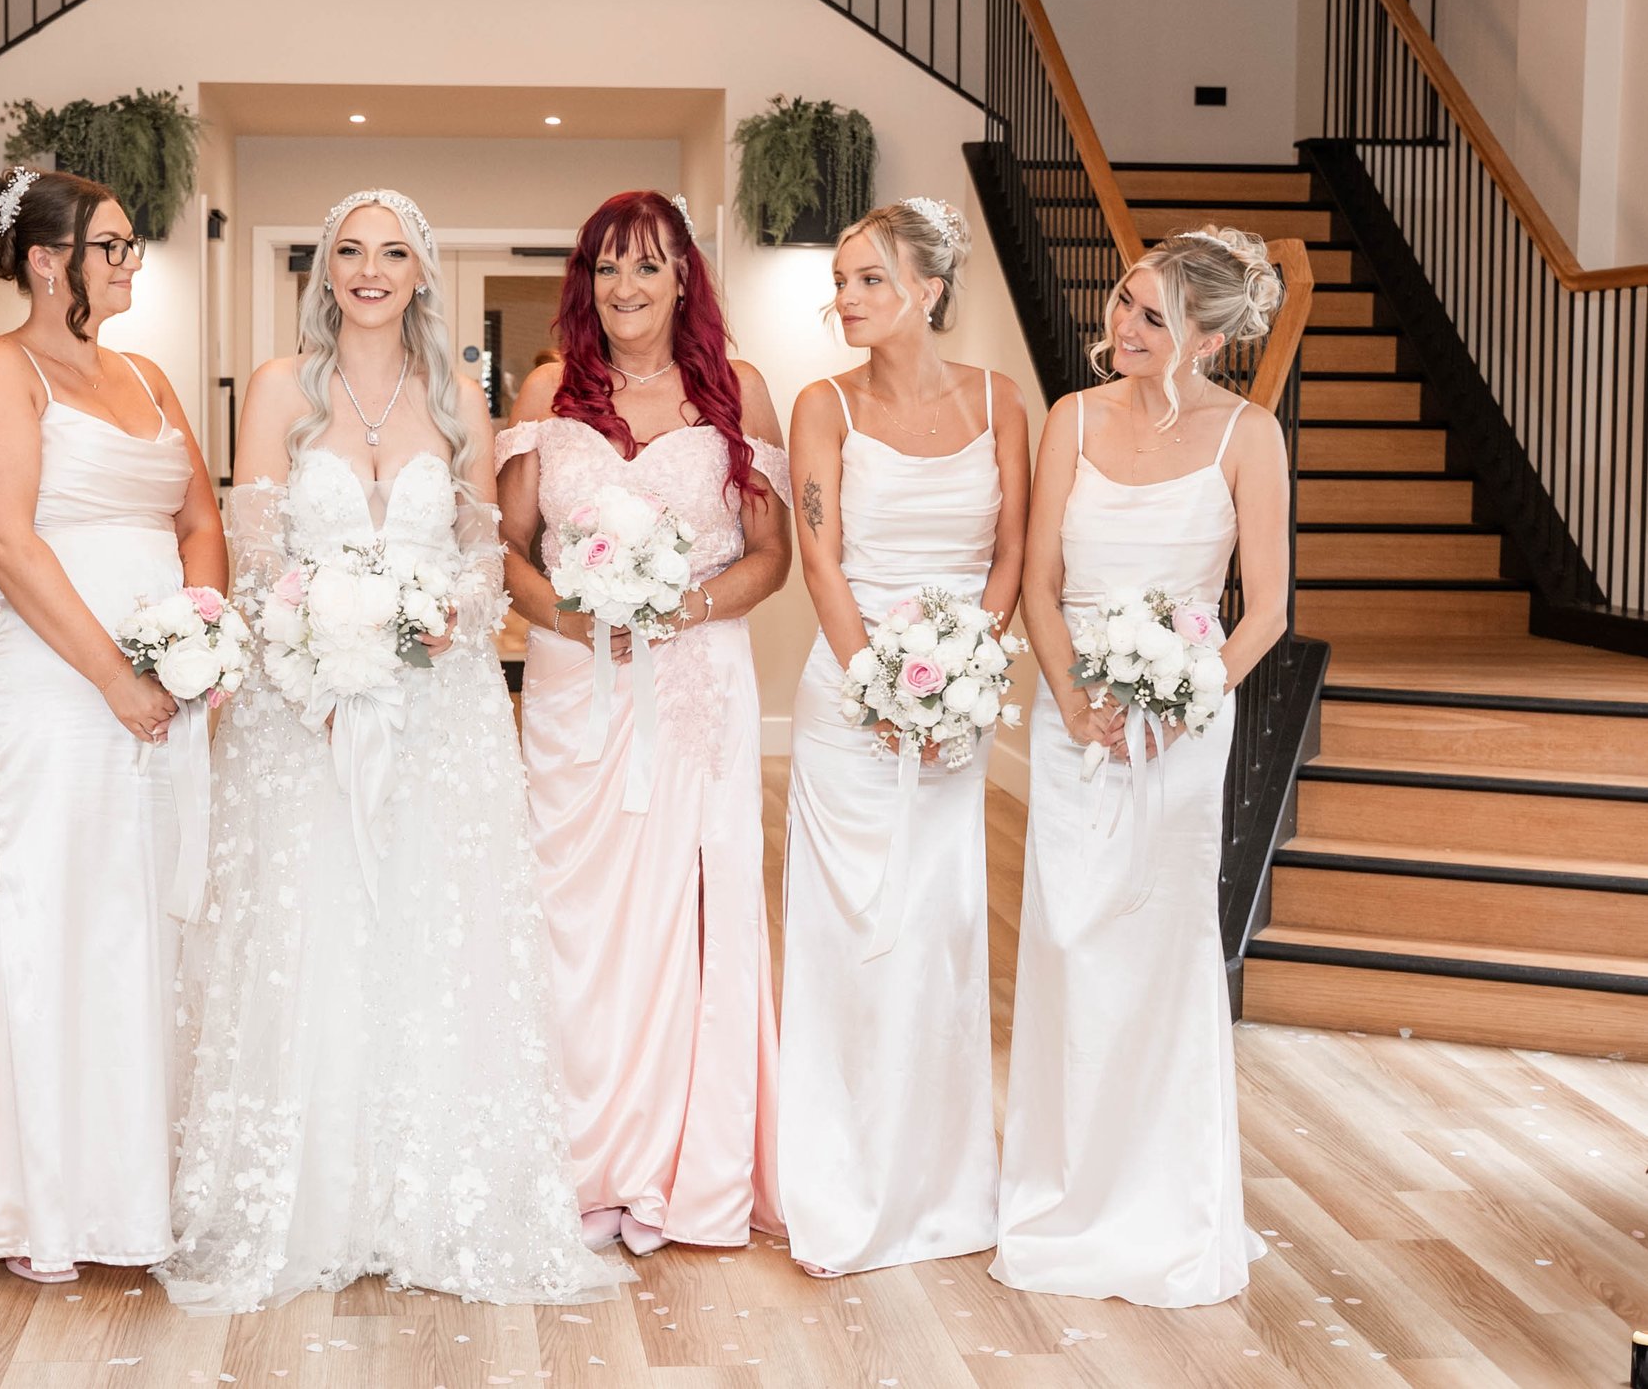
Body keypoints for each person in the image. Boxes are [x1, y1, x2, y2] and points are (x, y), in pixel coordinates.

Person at [159, 190, 623, 1314]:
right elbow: (256, 546)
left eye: (393, 252)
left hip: (434, 710)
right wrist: (315, 645)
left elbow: (478, 553)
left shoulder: (457, 391)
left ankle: (426, 1193)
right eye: (348, 252)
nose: (370, 269)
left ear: (422, 271)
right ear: (323, 271)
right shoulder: (278, 387)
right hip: (298, 707)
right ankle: (310, 1192)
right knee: (310, 922)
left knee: (426, 925)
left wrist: (427, 618)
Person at [993, 226, 1288, 1308]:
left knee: (1158, 949)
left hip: (1179, 726)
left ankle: (1161, 1195)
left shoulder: (1248, 437)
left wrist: (1180, 691)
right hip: (1074, 717)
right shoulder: (1070, 417)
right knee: (1070, 941)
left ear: (1206, 337)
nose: (1122, 325)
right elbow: (1036, 579)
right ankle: (1060, 1189)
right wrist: (1073, 698)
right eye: (1123, 300)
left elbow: (1265, 611)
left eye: (1152, 315)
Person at [498, 189, 791, 1257]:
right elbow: (509, 550)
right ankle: (579, 1160)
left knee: (685, 912)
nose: (626, 287)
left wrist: (681, 607)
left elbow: (771, 558)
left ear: (683, 279)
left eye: (648, 265)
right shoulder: (546, 389)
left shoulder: (736, 390)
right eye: (607, 266)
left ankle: (674, 1162)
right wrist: (571, 613)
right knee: (574, 911)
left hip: (695, 678)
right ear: (586, 281)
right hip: (578, 683)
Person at [0, 165, 227, 1283]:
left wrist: (203, 627)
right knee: (60, 919)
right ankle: (50, 1200)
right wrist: (115, 675)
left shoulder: (147, 373)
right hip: (59, 692)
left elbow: (198, 512)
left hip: (164, 688)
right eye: (111, 245)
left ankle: (136, 1190)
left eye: (128, 245)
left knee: (145, 919)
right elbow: (5, 539)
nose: (129, 262)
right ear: (47, 259)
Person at [778, 198, 1028, 1278]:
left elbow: (1013, 549)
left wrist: (967, 665)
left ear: (927, 288)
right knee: (847, 931)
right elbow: (821, 558)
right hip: (849, 701)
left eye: (867, 279)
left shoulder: (999, 399)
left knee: (938, 926)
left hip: (957, 699)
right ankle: (839, 1172)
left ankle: (936, 1177)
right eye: (840, 281)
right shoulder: (819, 404)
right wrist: (876, 680)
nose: (845, 299)